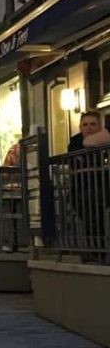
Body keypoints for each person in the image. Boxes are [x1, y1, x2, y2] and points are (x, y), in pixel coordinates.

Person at [67, 110, 110, 256]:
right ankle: (97, 250)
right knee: (92, 211)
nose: (89, 127)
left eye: (93, 124)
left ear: (99, 126)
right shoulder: (75, 142)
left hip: (103, 187)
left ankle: (98, 249)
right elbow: (77, 163)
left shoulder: (104, 139)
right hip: (82, 189)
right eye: (85, 124)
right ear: (80, 127)